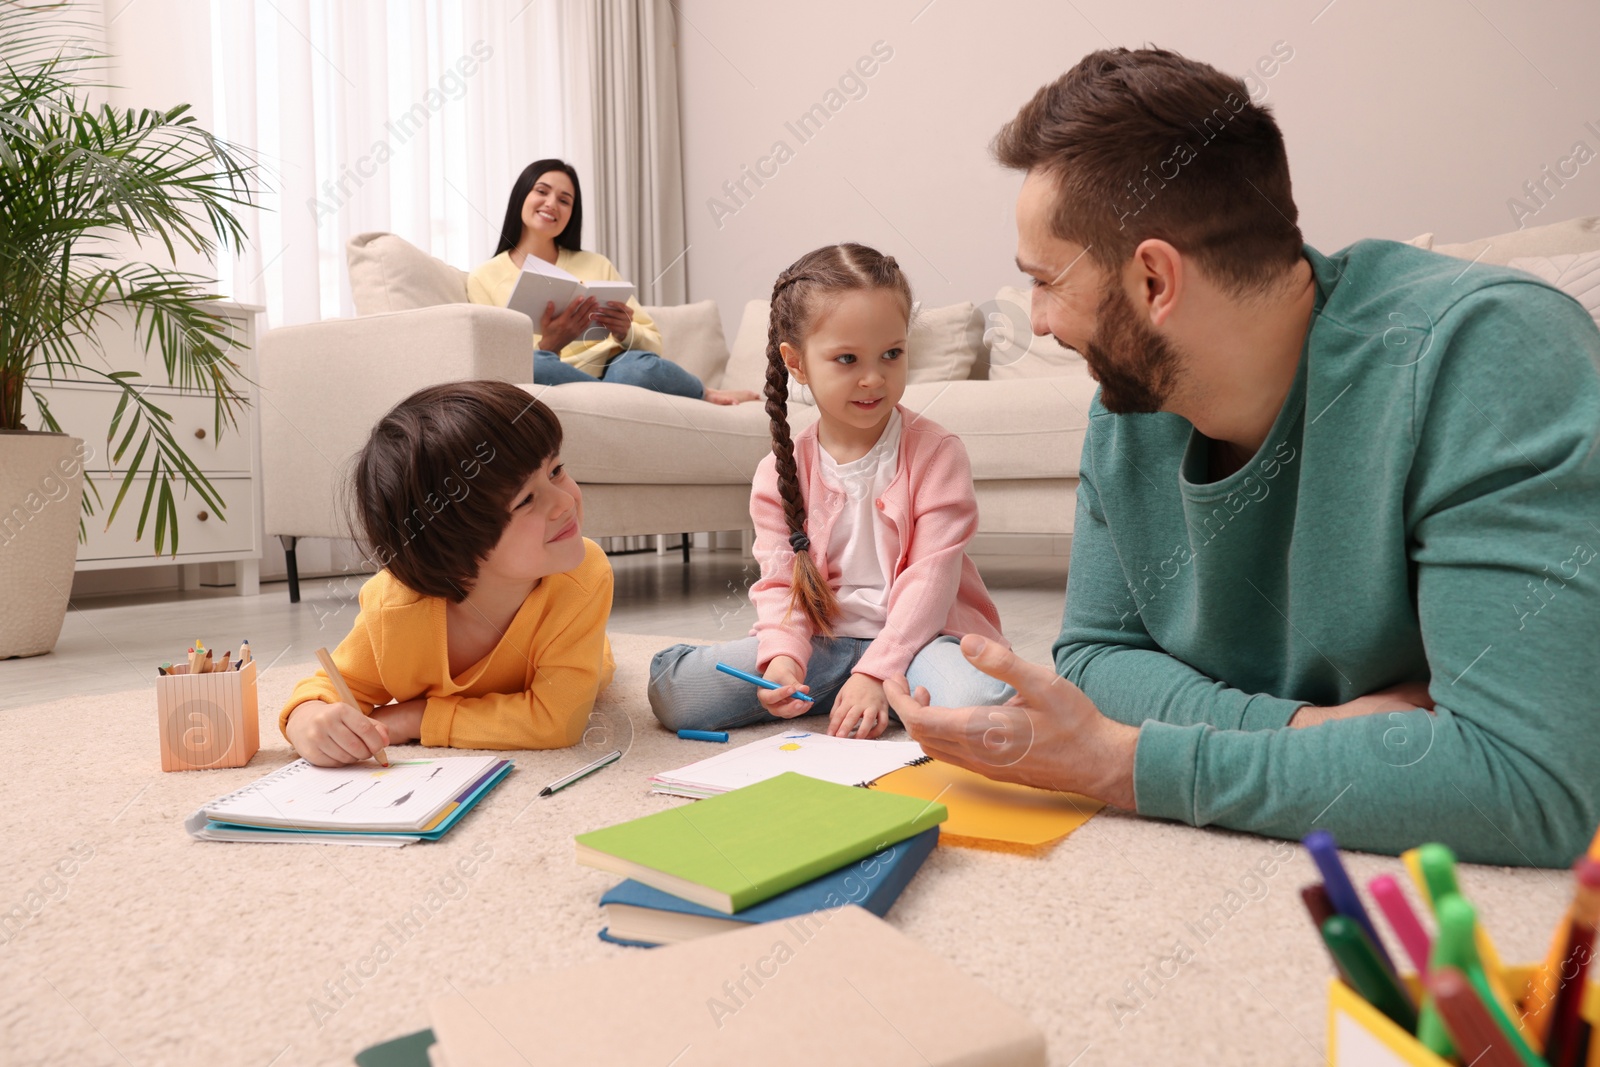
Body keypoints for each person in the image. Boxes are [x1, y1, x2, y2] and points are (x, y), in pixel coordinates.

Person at [884, 47, 1600, 867]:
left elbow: (1528, 785)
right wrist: (1299, 731)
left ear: (1154, 280)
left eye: (1043, 282)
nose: (1038, 321)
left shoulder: (1491, 356)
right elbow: (1095, 655)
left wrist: (1122, 762)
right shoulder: (1130, 404)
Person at [649, 243, 1013, 739]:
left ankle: (873, 689)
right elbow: (782, 585)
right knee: (674, 693)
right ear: (796, 364)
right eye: (846, 358)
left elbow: (932, 582)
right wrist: (782, 660)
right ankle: (852, 692)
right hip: (822, 644)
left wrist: (875, 671)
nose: (873, 378)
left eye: (892, 354)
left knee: (984, 705)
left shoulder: (938, 453)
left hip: (921, 641)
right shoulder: (779, 471)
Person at [281, 381, 615, 765]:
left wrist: (418, 717)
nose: (564, 501)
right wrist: (308, 721)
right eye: (525, 500)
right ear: (451, 547)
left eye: (556, 470)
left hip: (583, 658)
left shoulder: (583, 579)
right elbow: (330, 686)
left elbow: (556, 720)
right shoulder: (395, 610)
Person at [467, 158, 755, 405]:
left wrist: (625, 331)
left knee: (635, 370)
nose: (552, 203)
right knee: (532, 366)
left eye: (565, 200)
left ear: (571, 214)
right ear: (521, 196)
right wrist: (550, 346)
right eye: (542, 191)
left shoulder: (596, 264)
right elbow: (497, 360)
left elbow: (653, 342)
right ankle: (607, 398)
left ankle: (702, 391)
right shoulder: (484, 277)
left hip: (614, 368)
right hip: (550, 370)